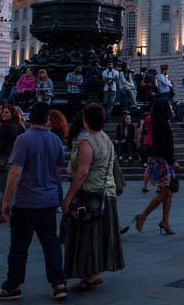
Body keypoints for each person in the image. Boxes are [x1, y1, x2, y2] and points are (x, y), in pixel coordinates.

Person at [0, 101, 67, 301]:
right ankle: (58, 283)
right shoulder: (56, 141)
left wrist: (6, 200)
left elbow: (15, 172)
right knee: (51, 243)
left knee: (19, 246)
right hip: (48, 200)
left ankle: (12, 285)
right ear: (48, 118)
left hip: (26, 201)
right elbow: (59, 170)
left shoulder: (24, 139)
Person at [61, 103, 125, 291]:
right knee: (99, 236)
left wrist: (68, 197)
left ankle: (90, 273)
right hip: (107, 193)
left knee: (87, 236)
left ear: (85, 120)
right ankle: (94, 272)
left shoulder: (87, 143)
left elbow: (81, 173)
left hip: (90, 194)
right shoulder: (107, 139)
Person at [132, 99, 178, 234]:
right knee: (164, 192)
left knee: (169, 192)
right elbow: (160, 145)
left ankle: (165, 222)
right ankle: (142, 216)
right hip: (161, 160)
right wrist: (172, 160)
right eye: (169, 104)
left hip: (163, 160)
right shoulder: (160, 123)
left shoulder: (161, 121)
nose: (170, 106)